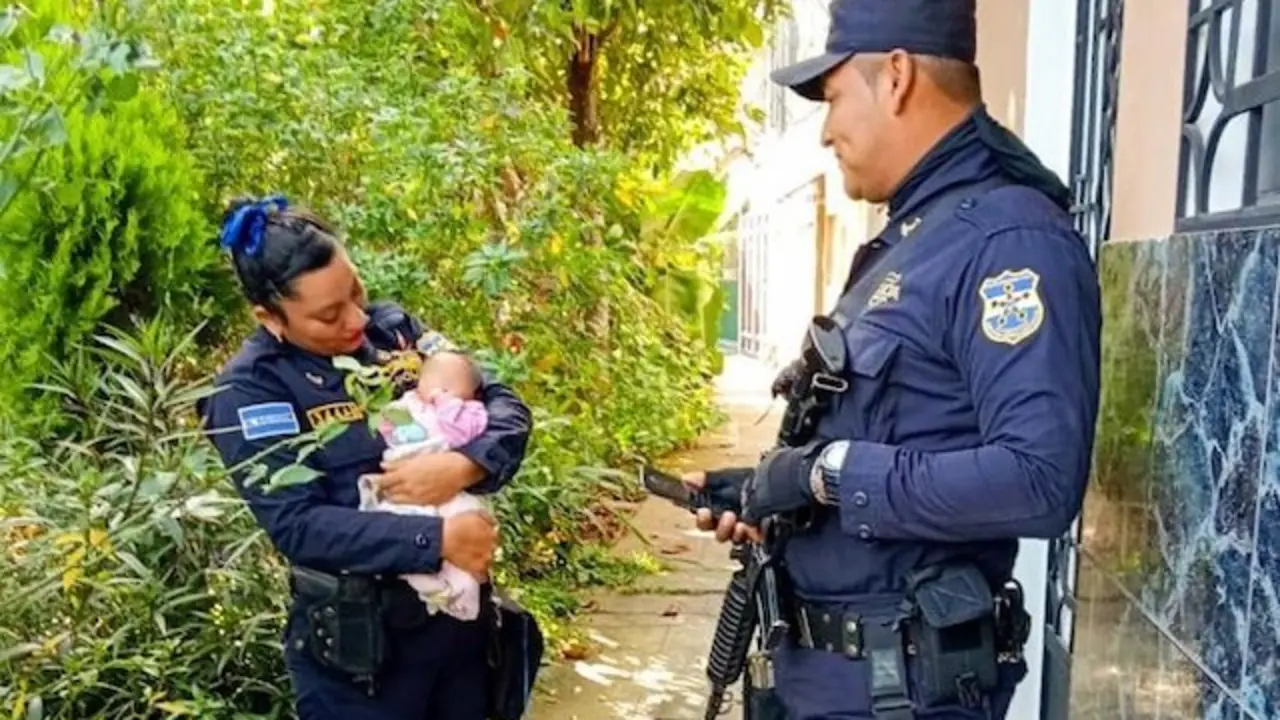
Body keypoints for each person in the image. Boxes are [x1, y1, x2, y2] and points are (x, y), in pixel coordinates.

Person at [686, 1, 1102, 719]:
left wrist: (826, 475)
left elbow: (1039, 480)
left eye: (835, 97)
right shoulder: (914, 239)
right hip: (822, 678)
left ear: (898, 76)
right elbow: (901, 435)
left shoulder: (1010, 243)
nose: (825, 130)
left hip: (897, 694)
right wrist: (770, 494)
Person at [197, 194, 532, 720]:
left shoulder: (394, 332)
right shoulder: (252, 392)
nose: (355, 319)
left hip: (458, 640)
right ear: (271, 317)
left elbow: (503, 403)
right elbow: (298, 525)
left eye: (355, 291)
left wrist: (466, 465)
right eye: (329, 315)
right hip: (362, 665)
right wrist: (436, 539)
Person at [359, 349, 492, 621]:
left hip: (449, 487)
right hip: (402, 481)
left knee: (471, 526)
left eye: (449, 382)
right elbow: (387, 429)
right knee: (401, 525)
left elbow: (464, 434)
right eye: (431, 377)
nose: (435, 386)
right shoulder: (406, 403)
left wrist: (446, 401)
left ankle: (464, 592)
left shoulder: (470, 410)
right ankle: (432, 588)